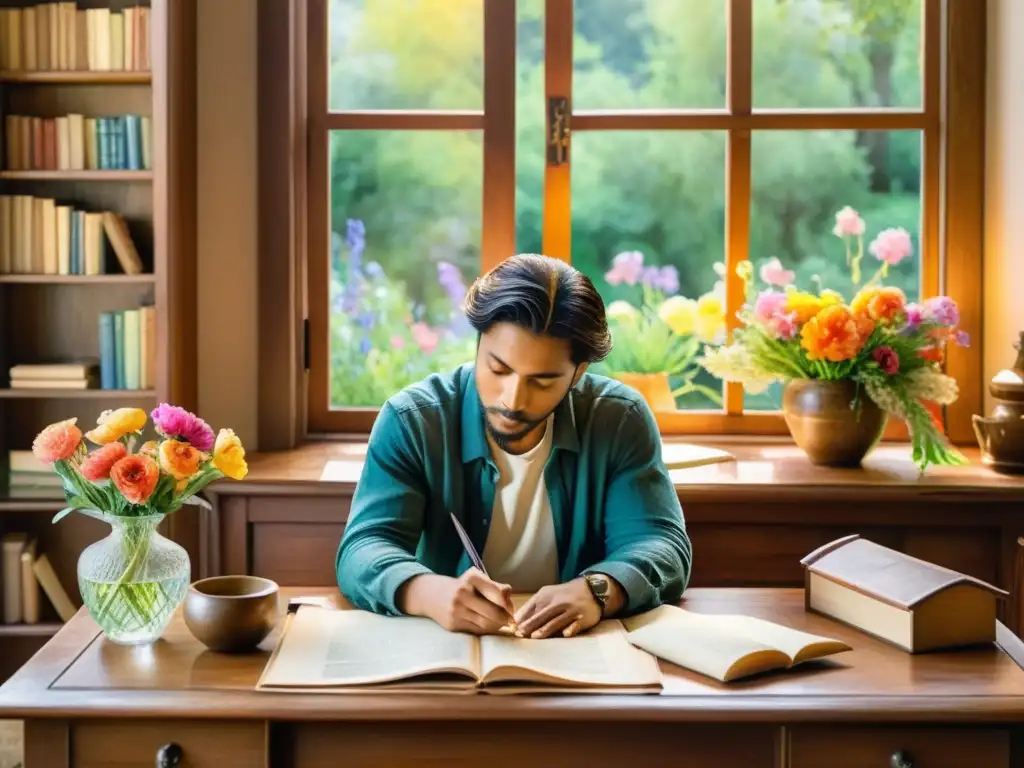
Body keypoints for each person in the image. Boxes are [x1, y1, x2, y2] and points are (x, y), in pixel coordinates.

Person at [335, 253, 692, 639]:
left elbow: (660, 543)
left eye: (542, 381)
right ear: (478, 344)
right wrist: (431, 593)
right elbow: (363, 548)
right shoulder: (413, 420)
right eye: (499, 369)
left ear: (578, 373)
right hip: (445, 649)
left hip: (576, 651)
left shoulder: (619, 419)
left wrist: (599, 589)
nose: (512, 399)